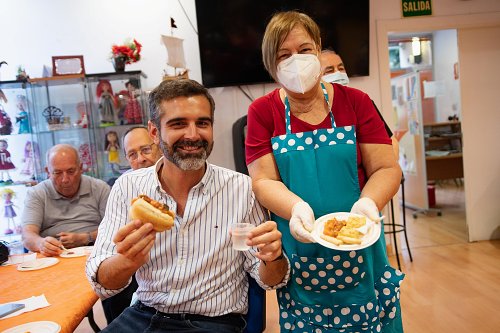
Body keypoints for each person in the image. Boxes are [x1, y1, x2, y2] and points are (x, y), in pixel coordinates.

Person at [86, 79, 289, 333]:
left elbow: (267, 278)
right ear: (154, 132)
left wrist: (273, 258)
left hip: (213, 322)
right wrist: (126, 262)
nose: (193, 135)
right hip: (144, 315)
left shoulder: (240, 190)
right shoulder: (128, 188)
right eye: (178, 124)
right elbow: (101, 281)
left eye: (202, 123)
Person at [245, 11, 404, 332]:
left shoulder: (356, 101)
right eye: (283, 55)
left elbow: (387, 167)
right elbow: (263, 180)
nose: (297, 60)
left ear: (318, 49)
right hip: (301, 252)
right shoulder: (263, 112)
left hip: (360, 244)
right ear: (271, 66)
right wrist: (296, 208)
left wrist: (368, 204)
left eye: (304, 49)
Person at [100, 126, 162, 324]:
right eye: (132, 155)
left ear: (159, 144)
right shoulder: (123, 186)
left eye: (145, 150)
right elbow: (110, 244)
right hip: (138, 269)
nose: (140, 159)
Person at [22, 144, 110, 256]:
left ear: (81, 168)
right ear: (47, 172)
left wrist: (86, 238)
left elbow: (115, 229)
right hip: (53, 255)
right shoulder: (37, 193)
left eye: (71, 171)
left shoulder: (100, 188)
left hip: (95, 251)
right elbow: (27, 235)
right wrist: (41, 244)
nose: (65, 180)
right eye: (57, 173)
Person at [320, 49, 400, 157]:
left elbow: (391, 143)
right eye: (329, 71)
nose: (338, 73)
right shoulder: (314, 110)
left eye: (341, 68)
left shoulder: (362, 103)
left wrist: (385, 169)